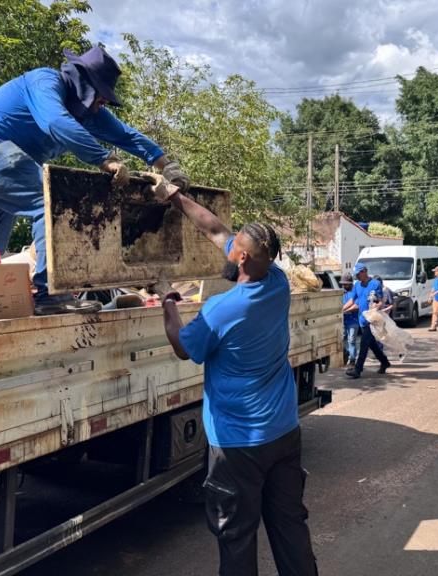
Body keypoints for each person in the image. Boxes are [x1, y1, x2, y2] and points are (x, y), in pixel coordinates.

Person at [0, 45, 189, 314]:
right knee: (50, 205)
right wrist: (104, 159)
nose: (104, 103)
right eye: (102, 95)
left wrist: (166, 165)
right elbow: (55, 123)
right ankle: (50, 295)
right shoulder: (45, 83)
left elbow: (125, 135)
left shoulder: (87, 112)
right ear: (85, 85)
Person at [155, 178, 318, 576]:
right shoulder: (278, 283)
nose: (229, 247)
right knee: (290, 527)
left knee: (236, 536)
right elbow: (215, 229)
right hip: (283, 433)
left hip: (237, 444)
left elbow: (182, 345)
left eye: (236, 248)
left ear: (242, 259)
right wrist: (175, 197)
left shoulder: (222, 309)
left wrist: (168, 301)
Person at [346, 263, 391, 379]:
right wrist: (341, 310)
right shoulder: (357, 285)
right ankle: (385, 362)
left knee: (364, 344)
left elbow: (380, 301)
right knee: (372, 345)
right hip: (362, 320)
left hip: (372, 320)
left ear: (364, 271)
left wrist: (376, 307)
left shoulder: (375, 284)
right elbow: (352, 301)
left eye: (358, 274)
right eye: (355, 275)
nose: (357, 277)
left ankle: (357, 369)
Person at [340, 272, 358, 366]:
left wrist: (343, 310)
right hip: (344, 320)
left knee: (351, 340)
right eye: (343, 284)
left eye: (345, 284)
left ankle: (352, 359)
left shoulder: (355, 291)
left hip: (353, 320)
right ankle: (347, 353)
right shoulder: (343, 292)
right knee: (341, 340)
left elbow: (356, 306)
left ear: (350, 283)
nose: (343, 285)